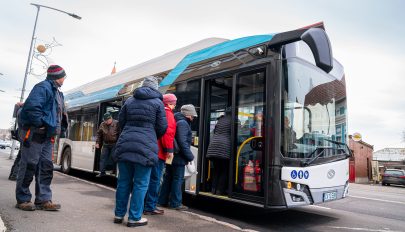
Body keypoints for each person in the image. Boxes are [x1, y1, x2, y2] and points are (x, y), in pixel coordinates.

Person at [113, 76, 167, 227]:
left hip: (125, 144)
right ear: (155, 87)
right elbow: (162, 127)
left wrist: (129, 132)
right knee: (141, 183)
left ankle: (118, 215)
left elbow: (121, 121)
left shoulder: (129, 101)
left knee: (123, 182)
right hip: (146, 146)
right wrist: (150, 135)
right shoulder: (158, 103)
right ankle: (134, 217)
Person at [15, 64, 68, 211]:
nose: (64, 78)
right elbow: (32, 108)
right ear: (57, 77)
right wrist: (40, 124)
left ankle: (44, 199)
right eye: (63, 76)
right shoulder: (43, 87)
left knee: (45, 167)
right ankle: (23, 199)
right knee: (29, 166)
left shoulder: (56, 91)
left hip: (47, 136)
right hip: (35, 134)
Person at [158, 104, 196, 211]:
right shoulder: (183, 123)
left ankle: (162, 201)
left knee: (168, 178)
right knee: (177, 179)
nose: (193, 117)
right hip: (178, 157)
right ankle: (175, 203)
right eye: (193, 115)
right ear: (188, 115)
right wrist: (190, 157)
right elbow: (182, 142)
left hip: (172, 155)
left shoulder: (177, 120)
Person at [144, 93, 177, 215]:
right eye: (174, 102)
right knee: (155, 180)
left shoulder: (158, 112)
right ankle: (150, 207)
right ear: (169, 103)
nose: (175, 105)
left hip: (152, 150)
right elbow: (167, 133)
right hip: (160, 152)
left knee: (148, 179)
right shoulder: (168, 114)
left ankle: (146, 205)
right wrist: (169, 150)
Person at [206, 107, 232, 195]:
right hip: (224, 147)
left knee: (217, 169)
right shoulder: (234, 120)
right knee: (224, 170)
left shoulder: (220, 120)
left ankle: (213, 190)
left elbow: (215, 132)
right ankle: (220, 191)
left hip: (213, 146)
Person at [96, 112, 120, 177]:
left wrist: (119, 143)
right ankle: (102, 172)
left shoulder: (117, 123)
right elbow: (99, 134)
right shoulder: (102, 124)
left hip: (114, 143)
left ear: (111, 118)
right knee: (103, 158)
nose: (106, 122)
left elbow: (120, 133)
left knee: (114, 157)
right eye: (105, 120)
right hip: (105, 143)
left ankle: (114, 171)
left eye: (107, 120)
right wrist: (98, 142)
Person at [8, 102, 24, 181]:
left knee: (19, 156)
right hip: (24, 136)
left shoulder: (19, 111)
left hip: (21, 135)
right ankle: (14, 175)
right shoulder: (22, 111)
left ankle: (12, 174)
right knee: (21, 157)